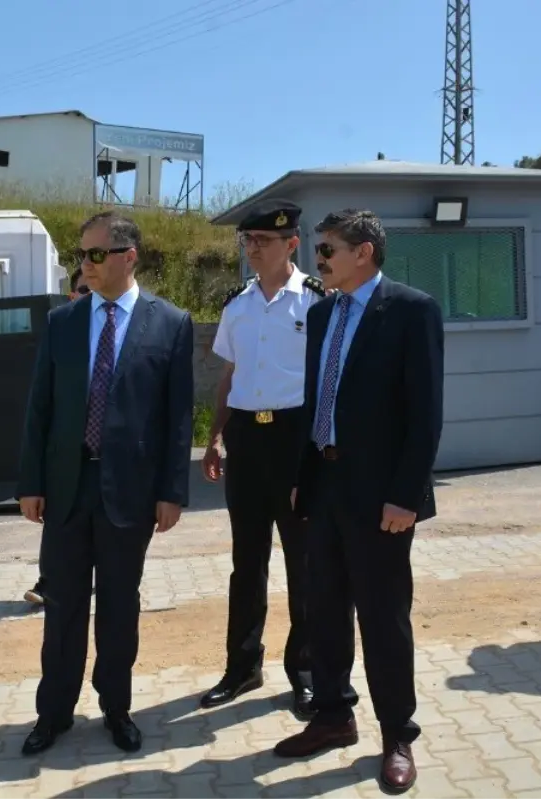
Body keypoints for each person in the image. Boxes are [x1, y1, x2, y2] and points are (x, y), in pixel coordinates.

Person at [272, 209, 444, 796]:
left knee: (383, 616)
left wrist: (406, 497)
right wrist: (302, 476)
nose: (317, 260)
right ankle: (333, 716)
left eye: (326, 250)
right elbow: (313, 400)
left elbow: (425, 415)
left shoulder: (412, 310)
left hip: (381, 498)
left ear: (363, 252)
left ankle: (397, 733)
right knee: (322, 608)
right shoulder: (322, 314)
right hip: (324, 485)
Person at [16, 211, 193, 756]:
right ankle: (55, 712)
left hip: (131, 494)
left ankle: (116, 707)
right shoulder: (63, 322)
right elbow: (40, 407)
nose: (85, 265)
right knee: (64, 605)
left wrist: (172, 491)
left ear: (127, 256)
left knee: (120, 606)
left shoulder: (171, 323)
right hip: (68, 489)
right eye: (81, 255)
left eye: (95, 254)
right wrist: (31, 481)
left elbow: (177, 417)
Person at [199, 200, 322, 720]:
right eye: (248, 241)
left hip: (296, 439)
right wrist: (215, 435)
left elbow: (325, 381)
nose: (253, 249)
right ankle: (242, 666)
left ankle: (308, 672)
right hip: (247, 439)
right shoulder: (238, 306)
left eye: (263, 242)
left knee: (305, 562)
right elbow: (231, 375)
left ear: (292, 243)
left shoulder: (317, 302)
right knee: (246, 562)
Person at [24, 267, 89, 607]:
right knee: (58, 533)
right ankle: (49, 582)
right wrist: (31, 482)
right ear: (72, 294)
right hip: (63, 465)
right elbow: (40, 409)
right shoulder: (60, 329)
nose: (89, 294)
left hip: (108, 471)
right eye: (83, 288)